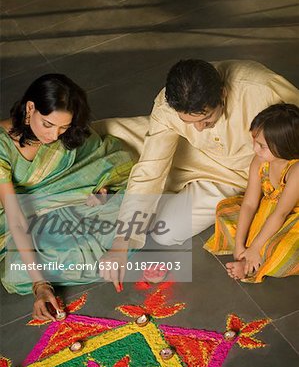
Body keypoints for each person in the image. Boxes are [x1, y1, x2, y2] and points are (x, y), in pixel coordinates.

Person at [94, 59, 299, 285]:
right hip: (191, 154)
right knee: (116, 141)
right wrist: (121, 244)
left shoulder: (261, 88)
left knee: (166, 232)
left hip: (237, 176)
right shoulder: (166, 106)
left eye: (206, 119)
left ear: (222, 93)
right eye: (189, 122)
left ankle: (124, 200)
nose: (199, 128)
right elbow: (150, 170)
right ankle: (127, 201)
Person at [0, 74, 135, 320]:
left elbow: (101, 159)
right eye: (48, 125)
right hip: (20, 219)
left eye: (63, 127)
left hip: (73, 207)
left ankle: (118, 252)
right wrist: (40, 285)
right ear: (30, 108)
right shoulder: (1, 145)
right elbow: (16, 218)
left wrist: (103, 188)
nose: (54, 136)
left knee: (132, 204)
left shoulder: (65, 135)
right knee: (15, 273)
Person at [204, 103, 299, 282]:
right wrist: (239, 245)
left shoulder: (296, 171)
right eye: (255, 141)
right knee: (225, 210)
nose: (255, 149)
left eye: (262, 146)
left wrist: (255, 247)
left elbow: (281, 214)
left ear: (283, 146)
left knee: (283, 250)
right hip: (267, 213)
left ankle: (251, 264)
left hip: (290, 218)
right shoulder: (260, 160)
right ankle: (248, 257)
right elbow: (249, 204)